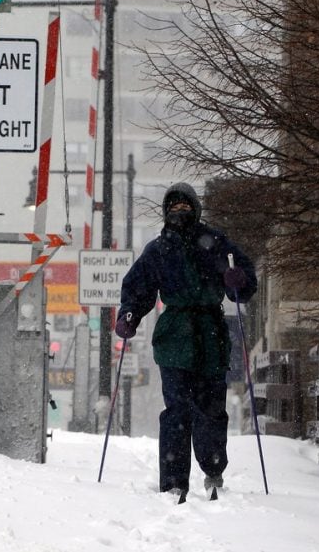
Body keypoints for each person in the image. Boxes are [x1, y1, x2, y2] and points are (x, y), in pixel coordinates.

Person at [114, 182, 257, 502]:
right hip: (175, 335)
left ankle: (213, 469)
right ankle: (174, 479)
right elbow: (138, 288)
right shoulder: (158, 249)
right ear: (167, 211)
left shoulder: (216, 243)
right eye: (174, 207)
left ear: (196, 208)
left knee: (211, 408)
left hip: (210, 333)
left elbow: (244, 279)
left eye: (185, 206)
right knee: (177, 411)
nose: (180, 212)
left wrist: (239, 280)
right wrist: (129, 315)